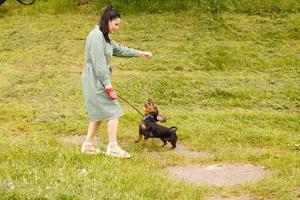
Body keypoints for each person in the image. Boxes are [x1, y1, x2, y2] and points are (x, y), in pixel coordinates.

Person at [81, 5, 153, 158]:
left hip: (98, 79)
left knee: (99, 114)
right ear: (108, 21)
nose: (118, 27)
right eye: (116, 24)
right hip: (95, 79)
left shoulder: (105, 37)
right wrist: (108, 85)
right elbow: (99, 64)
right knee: (113, 111)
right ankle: (112, 147)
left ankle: (87, 145)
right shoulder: (96, 36)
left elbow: (120, 49)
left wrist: (140, 53)